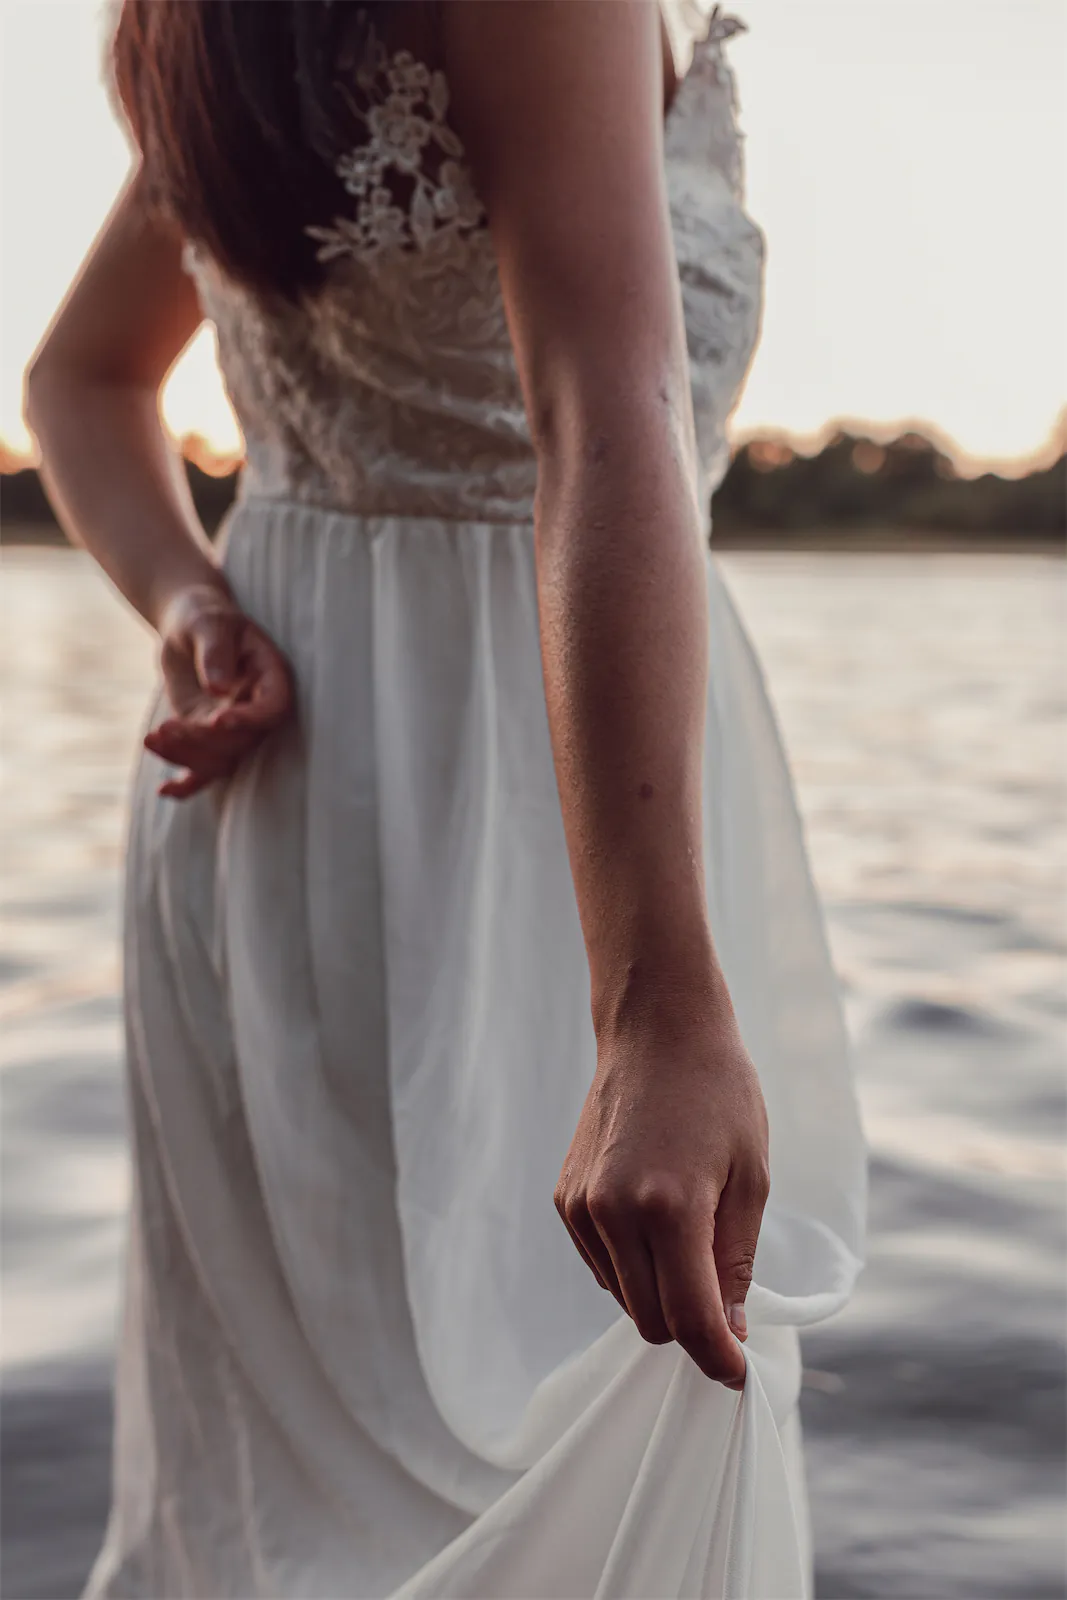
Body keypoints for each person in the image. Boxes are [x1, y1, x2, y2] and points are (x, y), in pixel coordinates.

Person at [27, 1, 865, 1595]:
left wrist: (198, 607)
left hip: (312, 792)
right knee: (537, 1425)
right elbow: (603, 415)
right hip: (538, 815)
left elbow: (79, 376)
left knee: (319, 1501)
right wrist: (657, 1008)